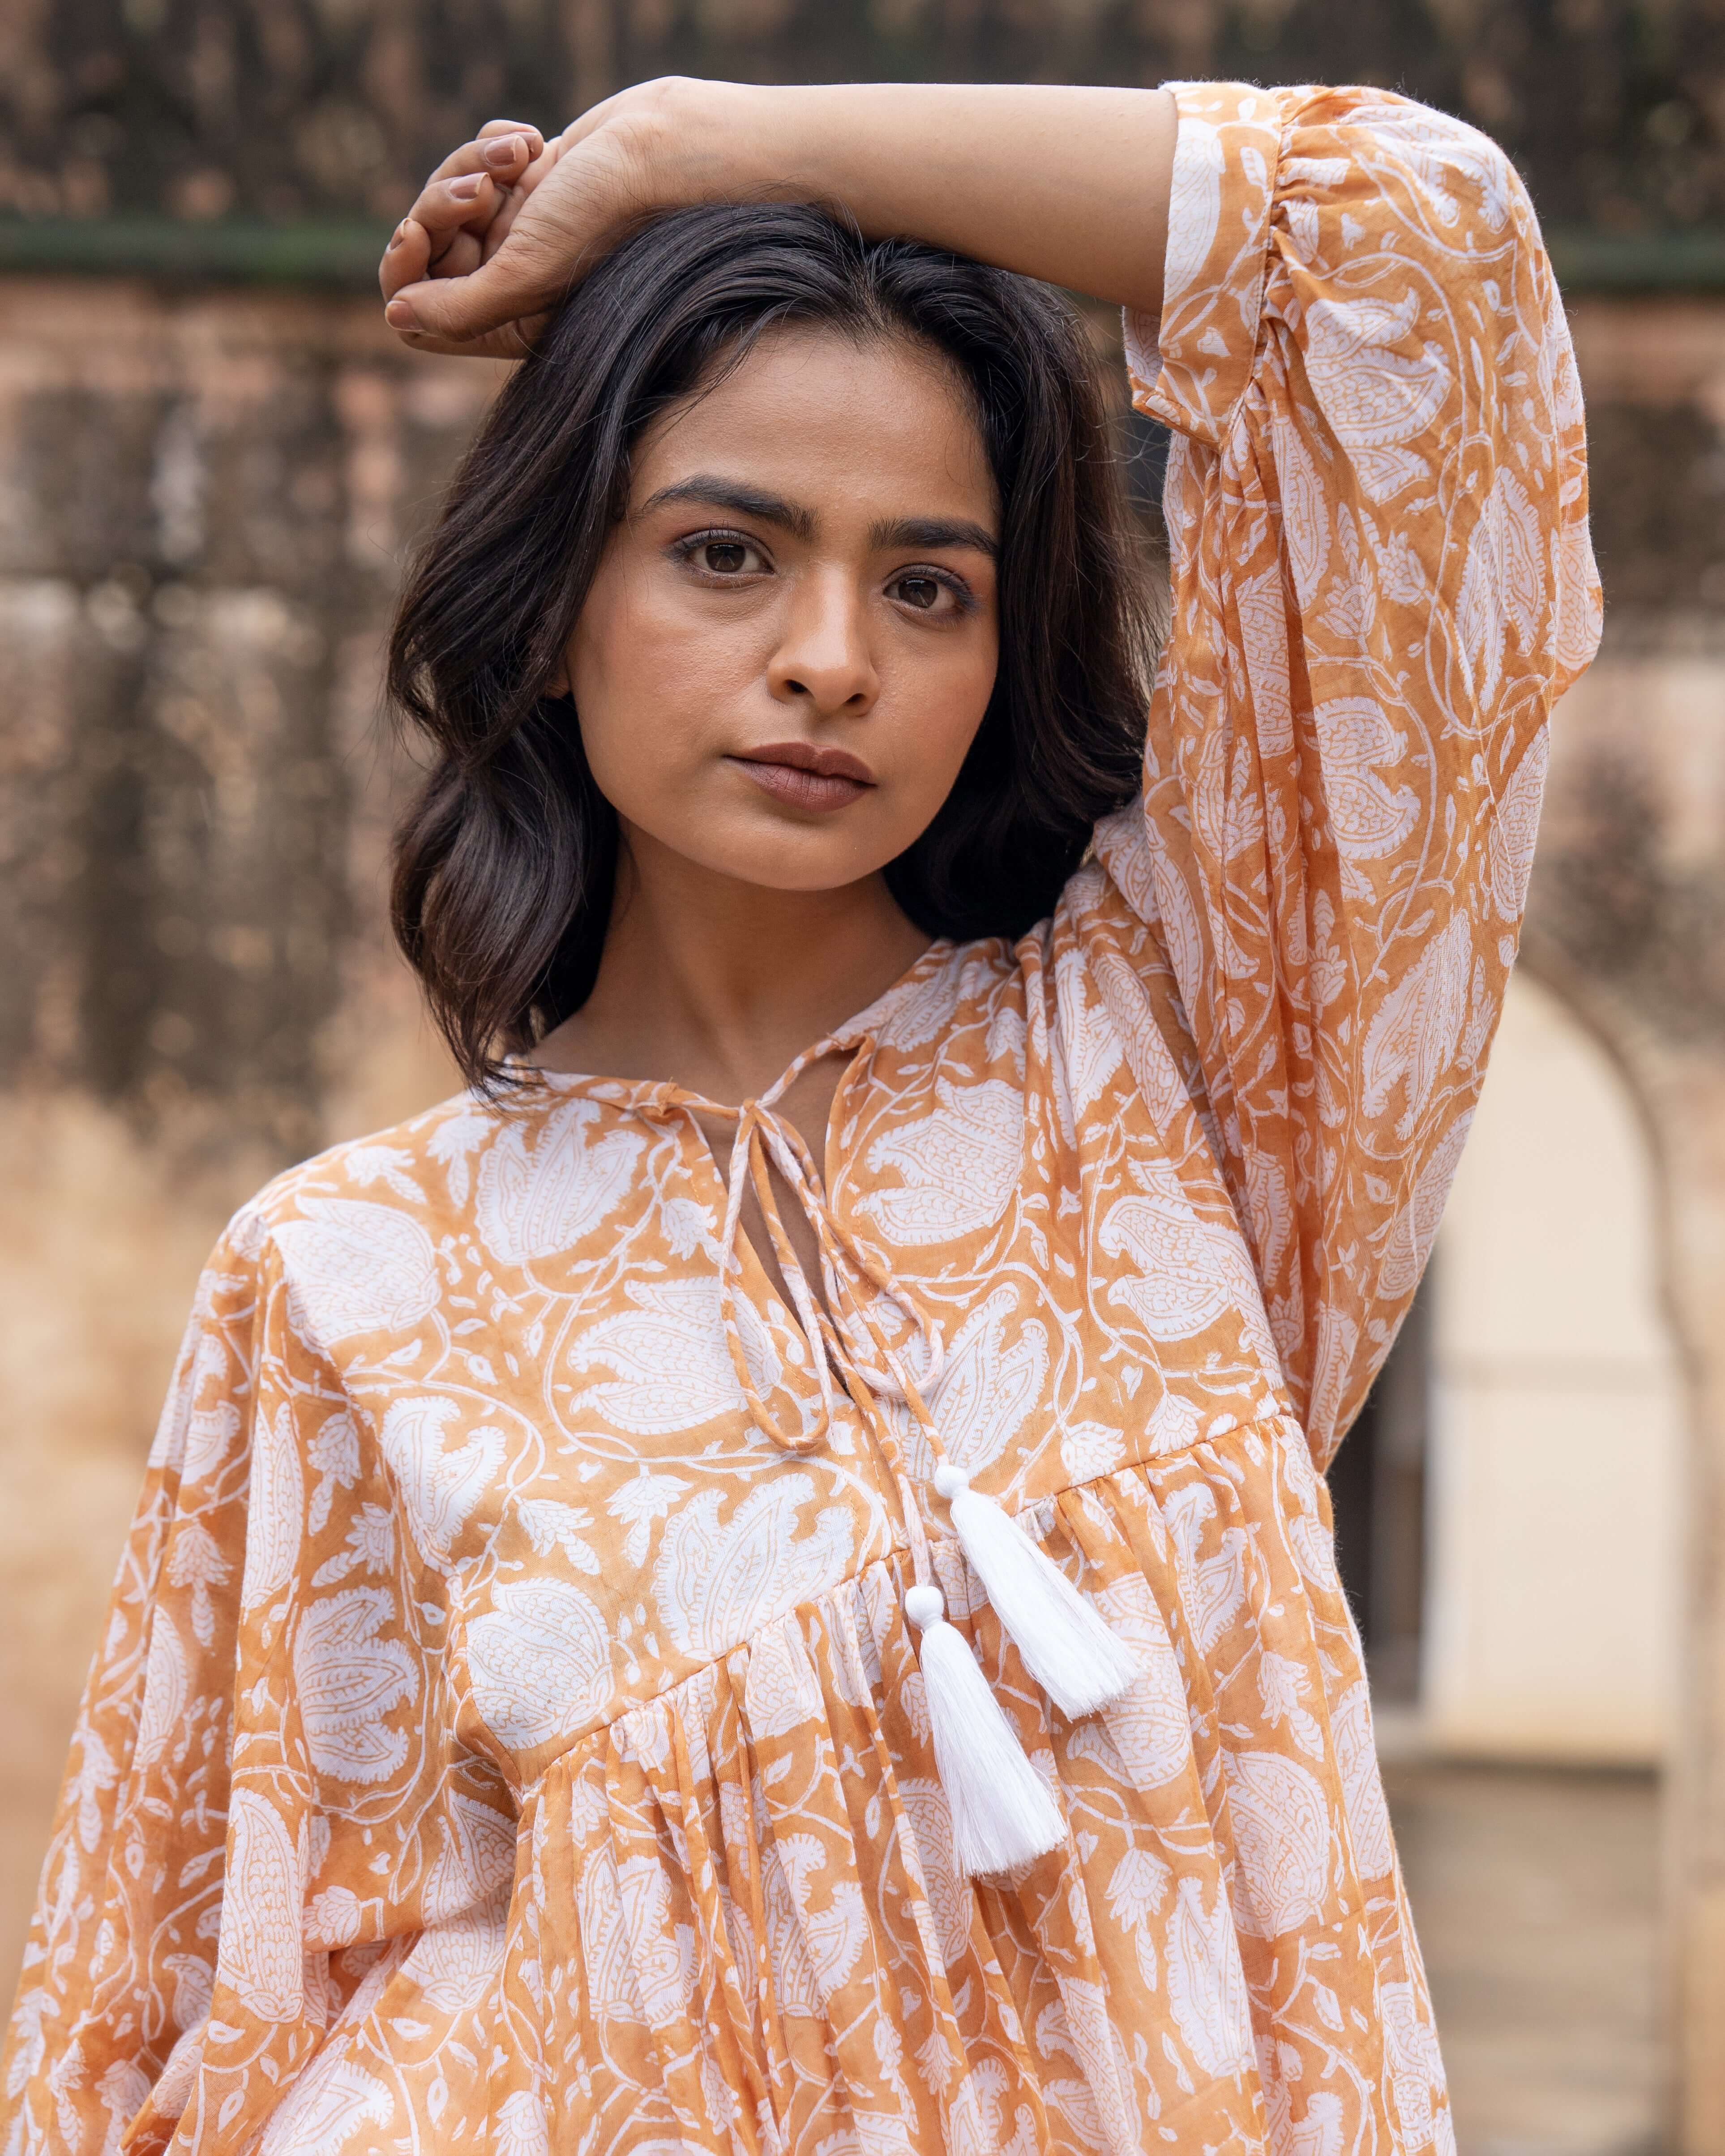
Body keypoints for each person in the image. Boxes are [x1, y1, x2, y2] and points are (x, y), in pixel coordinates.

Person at [0, 75, 1598, 2156]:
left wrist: (694, 145)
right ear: (560, 598)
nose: (829, 658)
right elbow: (177, 2025)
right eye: (726, 553)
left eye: (926, 586)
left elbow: (1424, 247)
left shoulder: (1197, 1041)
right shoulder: (348, 1282)